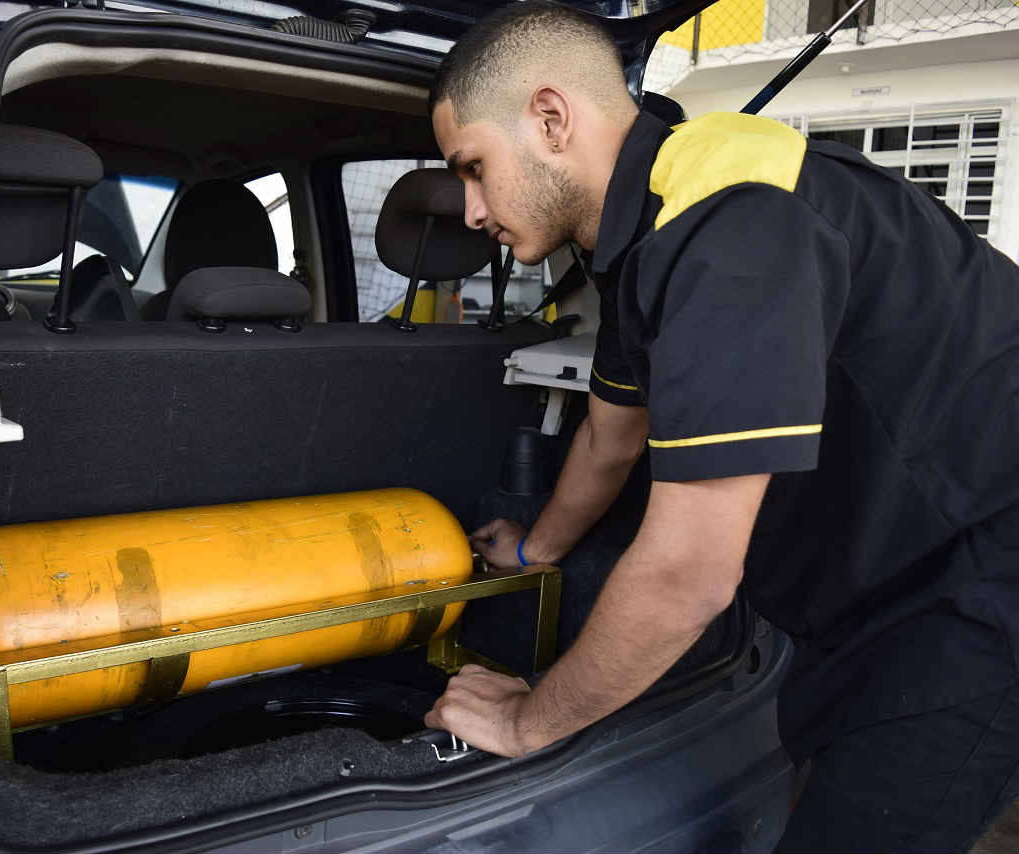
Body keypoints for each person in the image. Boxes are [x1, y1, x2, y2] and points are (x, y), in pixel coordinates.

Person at [421, 3, 1019, 851]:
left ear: (551, 120)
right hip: (881, 574)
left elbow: (690, 575)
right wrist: (535, 552)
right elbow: (608, 437)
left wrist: (529, 720)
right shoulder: (648, 227)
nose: (472, 209)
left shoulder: (729, 224)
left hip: (978, 581)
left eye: (474, 168)